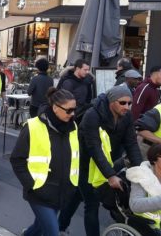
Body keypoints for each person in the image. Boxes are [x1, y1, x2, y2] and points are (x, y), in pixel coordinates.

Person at [58, 86, 144, 236]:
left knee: (78, 195)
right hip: (84, 163)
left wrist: (141, 170)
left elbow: (131, 143)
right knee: (92, 203)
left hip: (107, 162)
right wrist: (110, 175)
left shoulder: (127, 116)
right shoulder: (92, 115)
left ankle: (59, 227)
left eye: (130, 103)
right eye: (123, 103)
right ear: (112, 102)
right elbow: (94, 148)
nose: (127, 107)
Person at [10, 88, 79, 236]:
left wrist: (72, 186)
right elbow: (17, 159)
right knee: (52, 232)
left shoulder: (73, 128)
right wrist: (32, 185)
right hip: (39, 192)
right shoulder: (32, 126)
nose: (73, 114)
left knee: (40, 227)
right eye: (69, 110)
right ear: (55, 108)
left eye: (74, 109)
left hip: (62, 192)